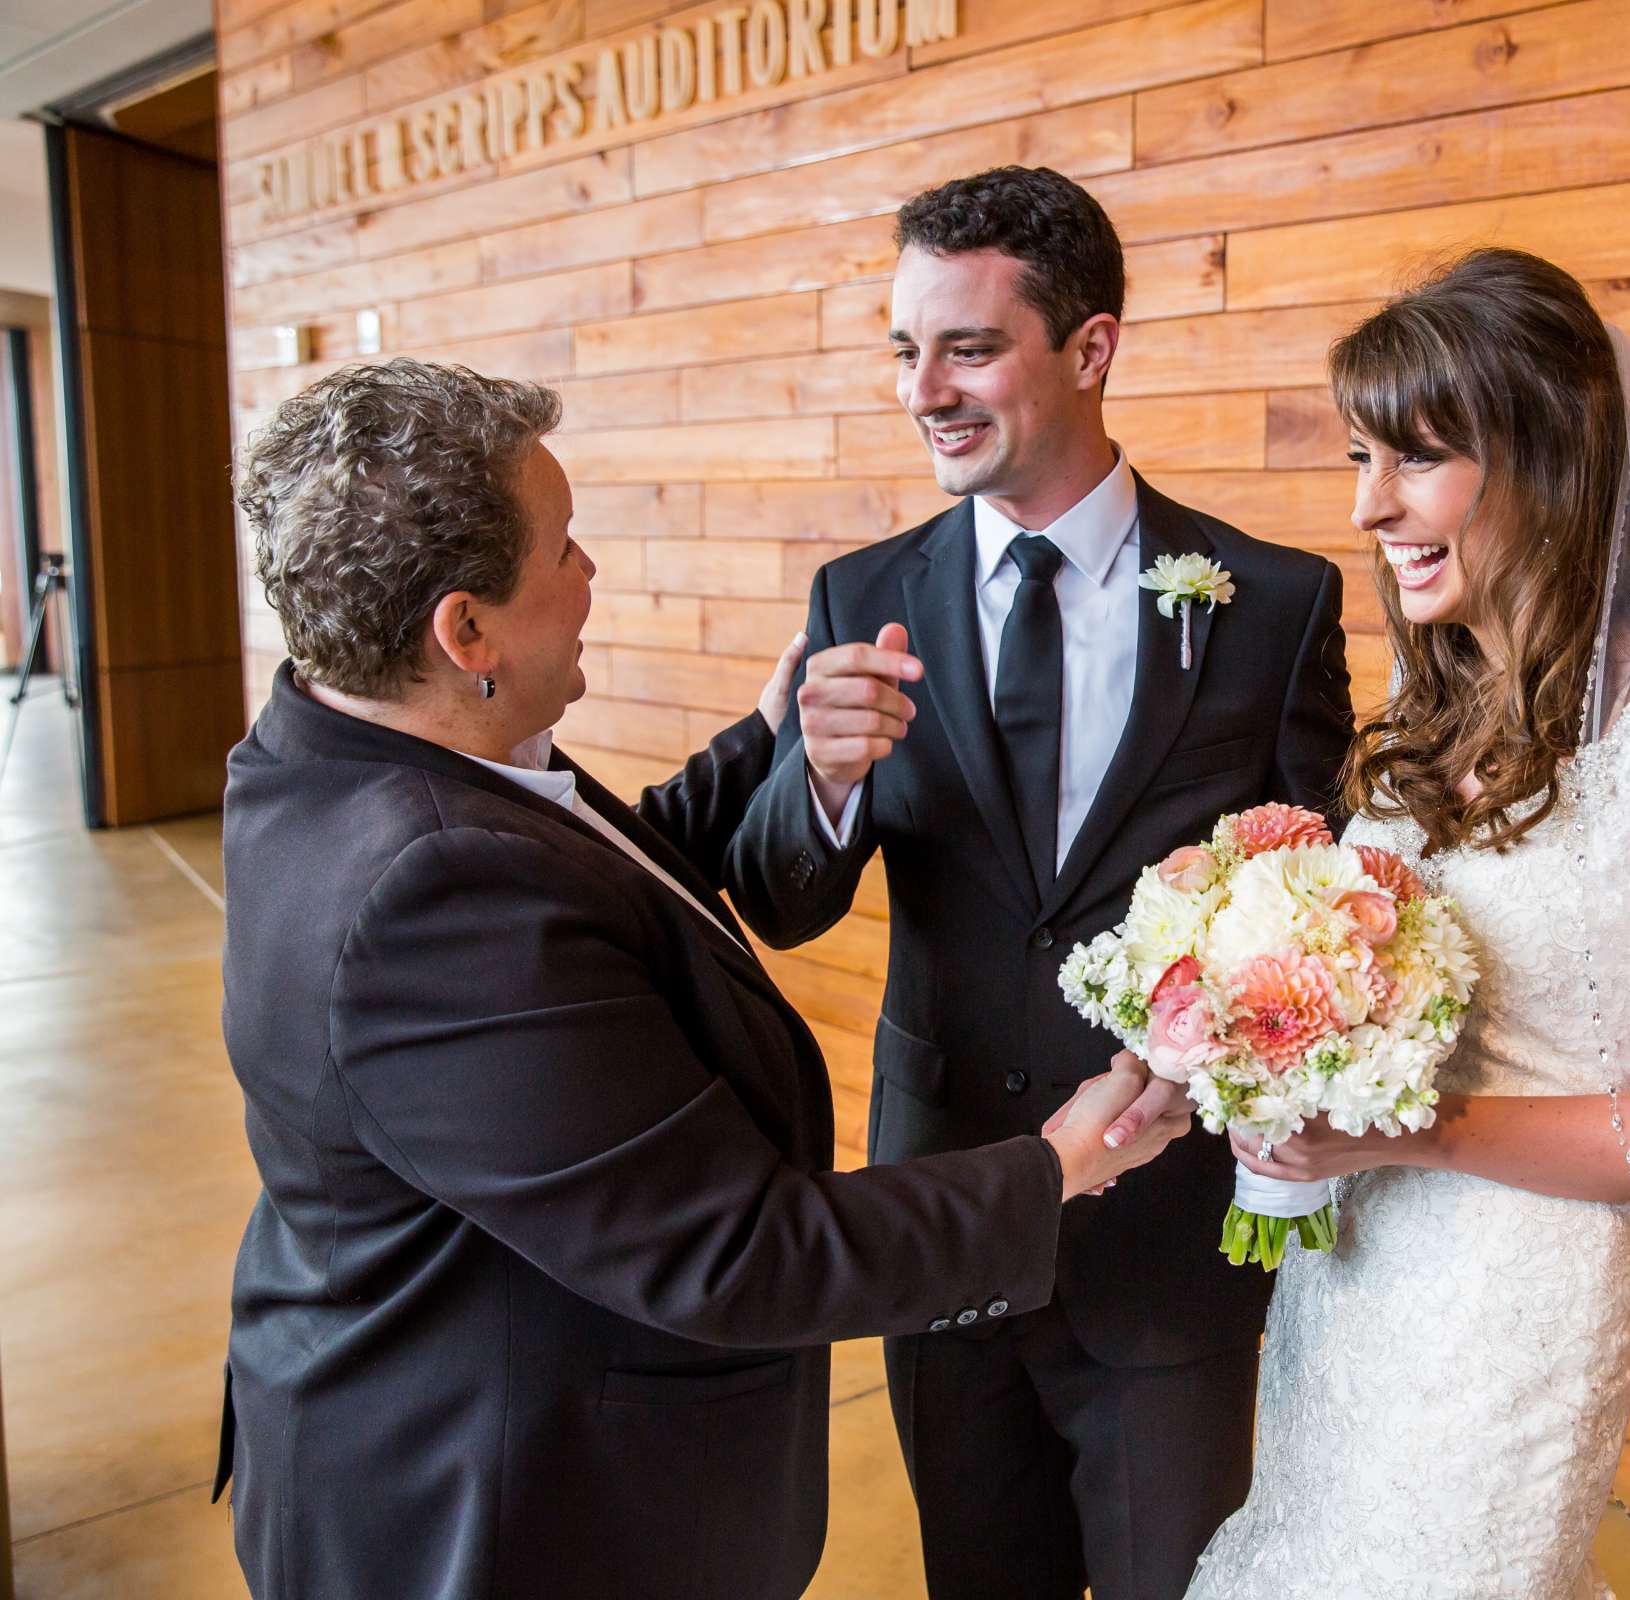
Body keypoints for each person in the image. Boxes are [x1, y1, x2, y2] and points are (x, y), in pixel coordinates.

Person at [212, 357, 1190, 1600]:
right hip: (506, 1513)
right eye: (563, 548)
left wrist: (775, 733)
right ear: (465, 632)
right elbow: (743, 1252)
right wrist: (1062, 1165)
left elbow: (608, 877)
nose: (589, 575)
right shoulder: (434, 890)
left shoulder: (331, 747)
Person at [722, 166, 1353, 1598]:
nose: (923, 389)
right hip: (945, 1216)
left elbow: (1314, 906)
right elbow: (783, 899)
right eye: (903, 349)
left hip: (1172, 1243)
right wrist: (815, 782)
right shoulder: (857, 594)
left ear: (1091, 348)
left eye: (967, 346)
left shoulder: (1271, 603)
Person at [1185, 250, 1630, 1597]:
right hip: (1353, 1289)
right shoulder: (1439, 708)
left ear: (1545, 457)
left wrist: (1421, 1130)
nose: (1369, 508)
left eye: (1413, 461)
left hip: (1508, 1320)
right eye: (1360, 460)